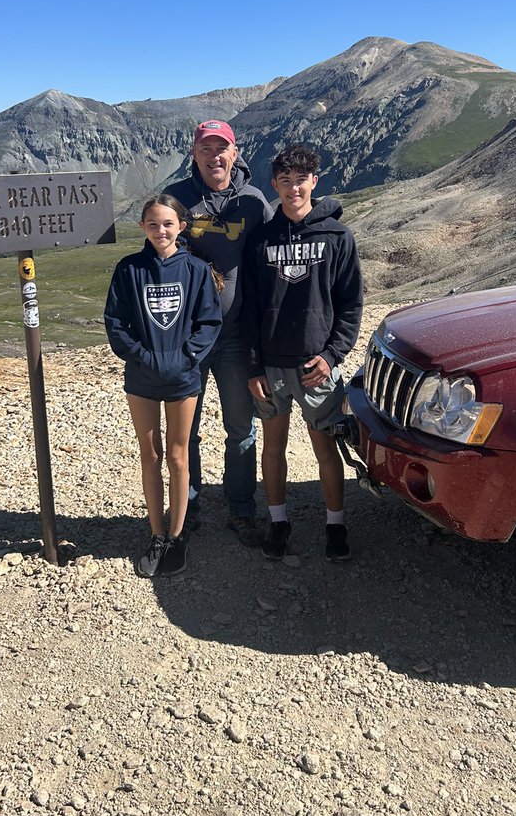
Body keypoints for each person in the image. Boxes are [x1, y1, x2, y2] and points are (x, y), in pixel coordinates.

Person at [243, 144, 363, 561]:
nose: (293, 188)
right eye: (285, 181)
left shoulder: (337, 236)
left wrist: (332, 356)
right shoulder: (261, 240)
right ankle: (279, 523)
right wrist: (253, 364)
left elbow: (351, 305)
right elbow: (250, 307)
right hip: (271, 365)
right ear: (273, 184)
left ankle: (335, 525)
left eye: (301, 180)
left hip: (316, 365)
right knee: (271, 447)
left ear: (315, 181)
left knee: (324, 447)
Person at [165, 120, 273, 544]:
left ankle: (241, 508)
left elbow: (268, 256)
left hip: (234, 336)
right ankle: (187, 507)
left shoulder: (252, 200)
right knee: (185, 429)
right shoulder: (178, 199)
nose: (214, 156)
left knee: (240, 428)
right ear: (194, 153)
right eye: (206, 148)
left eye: (221, 148)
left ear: (234, 152)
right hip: (187, 336)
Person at [104, 194, 222, 578]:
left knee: (178, 455)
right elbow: (116, 321)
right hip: (141, 376)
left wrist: (185, 357)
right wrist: (141, 355)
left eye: (168, 224)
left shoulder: (197, 270)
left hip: (183, 377)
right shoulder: (128, 269)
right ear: (142, 227)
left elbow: (209, 323)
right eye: (153, 224)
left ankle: (178, 533)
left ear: (181, 227)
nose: (160, 231)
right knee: (149, 455)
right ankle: (156, 534)